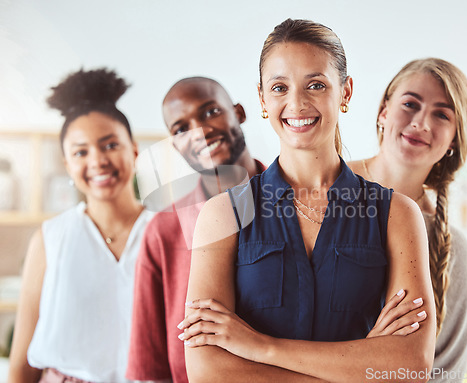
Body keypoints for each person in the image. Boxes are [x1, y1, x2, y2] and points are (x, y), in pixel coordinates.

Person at [180, 19, 436, 383]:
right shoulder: (224, 214)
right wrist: (361, 368)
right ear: (263, 99)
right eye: (280, 87)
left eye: (316, 85)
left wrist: (258, 346)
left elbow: (411, 364)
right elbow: (209, 372)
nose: (296, 103)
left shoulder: (396, 215)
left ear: (345, 92)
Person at [7, 69, 153, 383]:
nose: (97, 160)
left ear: (134, 149)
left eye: (110, 145)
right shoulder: (50, 238)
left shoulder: (166, 233)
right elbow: (21, 364)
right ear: (67, 165)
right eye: (80, 152)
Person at [126, 77, 266, 383]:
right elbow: (151, 366)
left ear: (239, 112)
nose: (200, 132)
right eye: (181, 129)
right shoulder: (162, 231)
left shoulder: (297, 205)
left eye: (210, 112)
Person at [348, 58, 467, 382]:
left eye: (442, 114)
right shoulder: (319, 189)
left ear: (454, 141)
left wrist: (373, 362)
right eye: (410, 104)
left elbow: (445, 374)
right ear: (383, 112)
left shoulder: (451, 249)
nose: (421, 122)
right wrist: (369, 358)